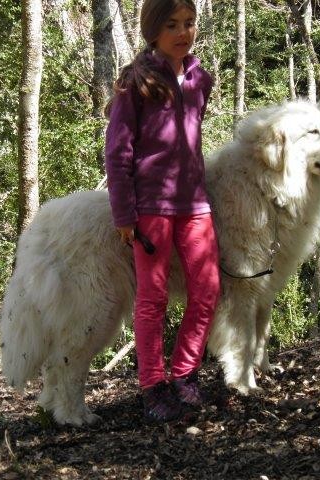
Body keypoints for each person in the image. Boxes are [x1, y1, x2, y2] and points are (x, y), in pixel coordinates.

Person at [104, 0, 220, 422]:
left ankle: (185, 374)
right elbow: (118, 152)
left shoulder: (199, 78)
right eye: (172, 24)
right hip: (150, 208)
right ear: (153, 29)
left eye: (189, 23)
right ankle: (153, 385)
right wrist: (124, 215)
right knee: (152, 298)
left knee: (206, 290)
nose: (183, 32)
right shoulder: (135, 83)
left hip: (194, 205)